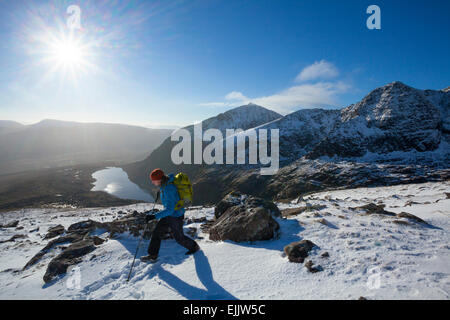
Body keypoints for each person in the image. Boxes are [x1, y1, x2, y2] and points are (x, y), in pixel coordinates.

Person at [140, 168, 200, 262]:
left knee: (179, 237)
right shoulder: (165, 184)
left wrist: (154, 216)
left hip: (175, 216)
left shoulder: (168, 189)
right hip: (170, 215)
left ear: (159, 179)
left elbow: (170, 210)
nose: (152, 182)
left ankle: (194, 246)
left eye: (153, 180)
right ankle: (153, 255)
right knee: (156, 232)